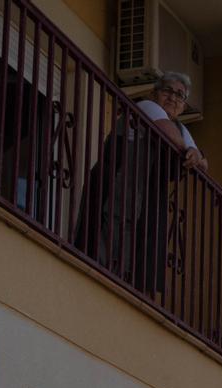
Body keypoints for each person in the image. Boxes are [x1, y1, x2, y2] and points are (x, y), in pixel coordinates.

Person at [74, 72, 206, 297]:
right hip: (119, 180)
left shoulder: (182, 130)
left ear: (183, 107)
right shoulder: (148, 106)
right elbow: (168, 133)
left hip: (143, 192)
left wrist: (196, 155)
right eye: (168, 91)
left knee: (138, 239)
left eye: (180, 95)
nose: (173, 98)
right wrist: (192, 153)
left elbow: (203, 164)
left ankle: (126, 286)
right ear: (155, 94)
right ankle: (99, 280)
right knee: (110, 229)